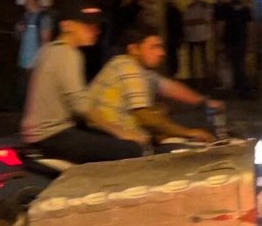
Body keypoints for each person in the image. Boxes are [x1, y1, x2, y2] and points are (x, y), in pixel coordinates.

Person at [22, 2, 147, 163]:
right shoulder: (68, 53)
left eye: (96, 26)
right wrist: (121, 132)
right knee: (132, 149)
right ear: (67, 26)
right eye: (87, 25)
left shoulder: (47, 50)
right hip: (53, 135)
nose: (95, 31)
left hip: (41, 134)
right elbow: (82, 106)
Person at [89, 25, 223, 145]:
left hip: (124, 132)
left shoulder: (138, 68)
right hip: (112, 138)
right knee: (194, 129)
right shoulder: (128, 68)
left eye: (160, 47)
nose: (161, 53)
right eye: (154, 47)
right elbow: (146, 118)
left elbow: (170, 87)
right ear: (134, 49)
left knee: (171, 114)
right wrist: (189, 133)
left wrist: (205, 102)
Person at [15, 0, 54, 105]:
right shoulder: (24, 17)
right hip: (23, 63)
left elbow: (45, 41)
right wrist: (19, 30)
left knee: (35, 98)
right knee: (24, 97)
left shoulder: (43, 18)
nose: (23, 0)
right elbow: (19, 37)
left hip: (36, 65)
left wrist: (39, 61)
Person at [220, 0, 252, 97]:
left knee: (239, 65)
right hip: (230, 40)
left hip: (240, 41)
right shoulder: (227, 8)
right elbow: (222, 24)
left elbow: (249, 26)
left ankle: (239, 87)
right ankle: (235, 86)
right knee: (232, 64)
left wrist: (250, 42)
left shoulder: (245, 10)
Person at [184, 0, 214, 83]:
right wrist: (198, 20)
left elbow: (206, 20)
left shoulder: (205, 6)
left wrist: (195, 21)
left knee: (203, 57)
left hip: (201, 35)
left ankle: (205, 76)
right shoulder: (190, 7)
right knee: (192, 58)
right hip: (192, 36)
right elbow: (186, 22)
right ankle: (193, 77)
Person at [163, 0, 184, 79]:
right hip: (171, 36)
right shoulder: (173, 10)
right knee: (172, 55)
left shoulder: (172, 10)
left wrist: (180, 37)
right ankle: (173, 72)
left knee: (172, 55)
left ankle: (173, 72)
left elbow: (179, 24)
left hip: (172, 36)